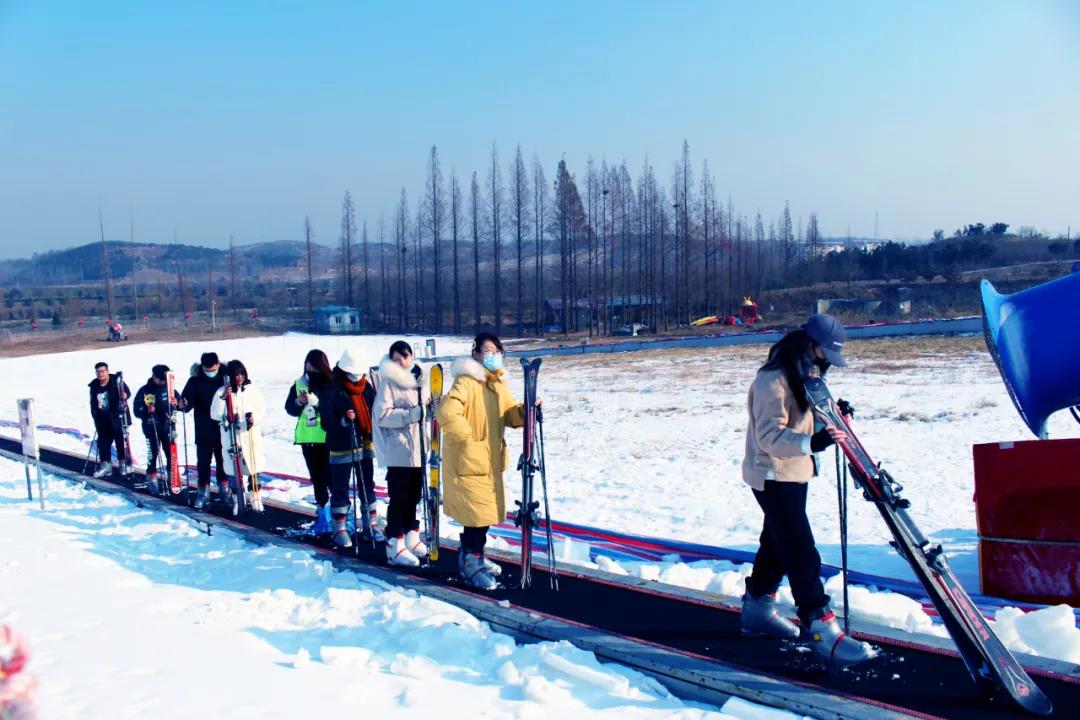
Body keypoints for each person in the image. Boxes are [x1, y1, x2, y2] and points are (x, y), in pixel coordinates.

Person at [739, 314, 875, 666]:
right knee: (800, 550)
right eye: (824, 354)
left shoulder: (805, 376)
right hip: (771, 475)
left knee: (776, 543)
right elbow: (768, 437)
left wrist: (832, 414)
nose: (826, 361)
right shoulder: (772, 381)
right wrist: (812, 441)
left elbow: (806, 415)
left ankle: (757, 609)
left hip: (795, 473)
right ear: (807, 345)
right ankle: (819, 625)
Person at [437, 333, 529, 590]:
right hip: (470, 462)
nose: (493, 356)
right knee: (475, 517)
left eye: (497, 351)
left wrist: (524, 412)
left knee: (482, 516)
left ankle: (473, 555)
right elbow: (446, 412)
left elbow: (509, 415)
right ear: (476, 354)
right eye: (488, 351)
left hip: (488, 463)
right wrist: (468, 439)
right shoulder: (466, 381)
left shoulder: (497, 383)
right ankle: (470, 562)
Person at [373, 340, 430, 567]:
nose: (401, 362)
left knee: (414, 496)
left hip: (420, 448)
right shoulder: (389, 382)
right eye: (396, 359)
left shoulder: (422, 379)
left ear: (411, 356)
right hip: (399, 449)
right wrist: (410, 415)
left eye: (404, 357)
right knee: (399, 498)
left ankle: (410, 534)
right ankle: (394, 542)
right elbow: (381, 415)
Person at [319, 347, 379, 548]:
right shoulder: (332, 389)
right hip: (342, 445)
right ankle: (340, 528)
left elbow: (374, 408)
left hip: (364, 443)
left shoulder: (367, 387)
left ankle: (371, 524)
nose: (357, 376)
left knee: (367, 485)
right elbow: (326, 422)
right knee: (341, 488)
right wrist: (344, 419)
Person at [284, 349, 333, 534]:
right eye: (308, 364)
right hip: (308, 440)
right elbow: (290, 408)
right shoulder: (299, 384)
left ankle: (339, 516)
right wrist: (298, 402)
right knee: (317, 479)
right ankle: (322, 515)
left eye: (314, 365)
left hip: (327, 439)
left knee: (332, 480)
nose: (310, 368)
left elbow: (335, 407)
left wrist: (318, 403)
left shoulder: (331, 383)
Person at [209, 359, 265, 514]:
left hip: (249, 436)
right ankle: (237, 499)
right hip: (231, 438)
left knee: (253, 469)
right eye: (235, 375)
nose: (239, 377)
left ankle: (256, 499)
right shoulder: (221, 391)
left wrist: (254, 418)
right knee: (234, 471)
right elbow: (215, 415)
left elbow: (260, 409)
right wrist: (222, 399)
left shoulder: (252, 390)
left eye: (241, 374)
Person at [180, 352, 226, 510]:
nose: (210, 373)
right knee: (203, 462)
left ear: (218, 364)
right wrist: (184, 403)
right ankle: (203, 491)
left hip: (223, 428)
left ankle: (224, 490)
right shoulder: (195, 380)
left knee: (224, 462)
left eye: (212, 369)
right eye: (207, 370)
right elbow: (187, 401)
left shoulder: (225, 378)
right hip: (203, 428)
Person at [132, 364, 180, 495]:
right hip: (150, 426)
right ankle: (152, 478)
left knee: (170, 454)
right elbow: (136, 410)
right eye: (160, 379)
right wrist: (146, 411)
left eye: (164, 380)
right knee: (152, 454)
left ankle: (172, 479)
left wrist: (178, 403)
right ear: (154, 377)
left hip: (166, 427)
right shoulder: (145, 390)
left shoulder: (169, 389)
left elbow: (181, 404)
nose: (162, 382)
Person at [87, 361, 132, 478]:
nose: (100, 374)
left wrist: (124, 396)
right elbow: (93, 402)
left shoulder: (116, 382)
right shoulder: (94, 385)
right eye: (98, 372)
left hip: (116, 418)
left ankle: (123, 464)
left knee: (120, 442)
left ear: (107, 371)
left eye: (102, 371)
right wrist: (95, 415)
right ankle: (106, 466)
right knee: (103, 443)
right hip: (102, 419)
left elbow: (127, 392)